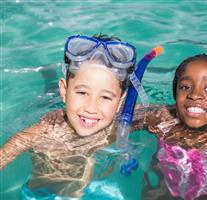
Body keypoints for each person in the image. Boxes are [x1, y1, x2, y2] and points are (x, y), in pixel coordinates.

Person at [0, 34, 136, 198]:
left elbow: (163, 115)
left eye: (106, 97)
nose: (91, 108)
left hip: (96, 191)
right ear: (64, 91)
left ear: (121, 101)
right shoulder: (44, 132)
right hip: (43, 195)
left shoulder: (119, 125)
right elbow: (4, 156)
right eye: (82, 92)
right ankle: (48, 74)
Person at [133, 54, 207, 200]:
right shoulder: (161, 119)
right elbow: (118, 116)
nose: (195, 95)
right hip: (162, 191)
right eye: (185, 87)